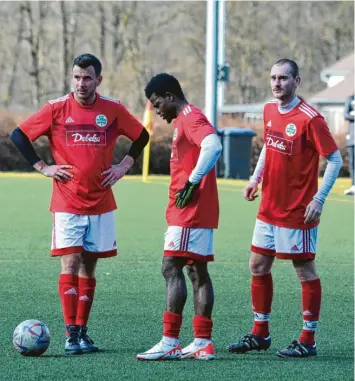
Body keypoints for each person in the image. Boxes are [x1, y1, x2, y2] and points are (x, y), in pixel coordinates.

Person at [10, 53, 149, 355]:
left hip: (101, 202)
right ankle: (70, 334)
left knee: (89, 267)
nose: (81, 83)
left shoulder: (112, 110)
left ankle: (83, 332)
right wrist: (42, 166)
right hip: (67, 201)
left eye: (87, 78)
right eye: (76, 77)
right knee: (70, 263)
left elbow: (142, 136)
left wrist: (124, 165)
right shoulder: (56, 109)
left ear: (99, 80)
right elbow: (18, 135)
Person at [227, 59, 342, 358]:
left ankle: (308, 339)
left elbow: (335, 160)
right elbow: (269, 145)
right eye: (273, 78)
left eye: (283, 78)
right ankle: (260, 333)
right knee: (258, 265)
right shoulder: (268, 109)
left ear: (297, 81)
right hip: (269, 208)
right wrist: (256, 179)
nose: (277, 83)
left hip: (297, 210)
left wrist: (319, 199)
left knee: (303, 270)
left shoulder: (310, 118)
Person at [136, 73, 222, 361]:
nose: (157, 111)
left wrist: (192, 181)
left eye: (158, 104)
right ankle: (202, 342)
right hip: (197, 210)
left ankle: (170, 340)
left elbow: (213, 145)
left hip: (189, 211)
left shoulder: (189, 116)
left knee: (170, 266)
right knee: (197, 272)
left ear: (170, 97)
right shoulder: (187, 117)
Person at [344, 94, 354, 195]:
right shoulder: (351, 99)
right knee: (353, 163)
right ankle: (353, 186)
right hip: (353, 139)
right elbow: (346, 115)